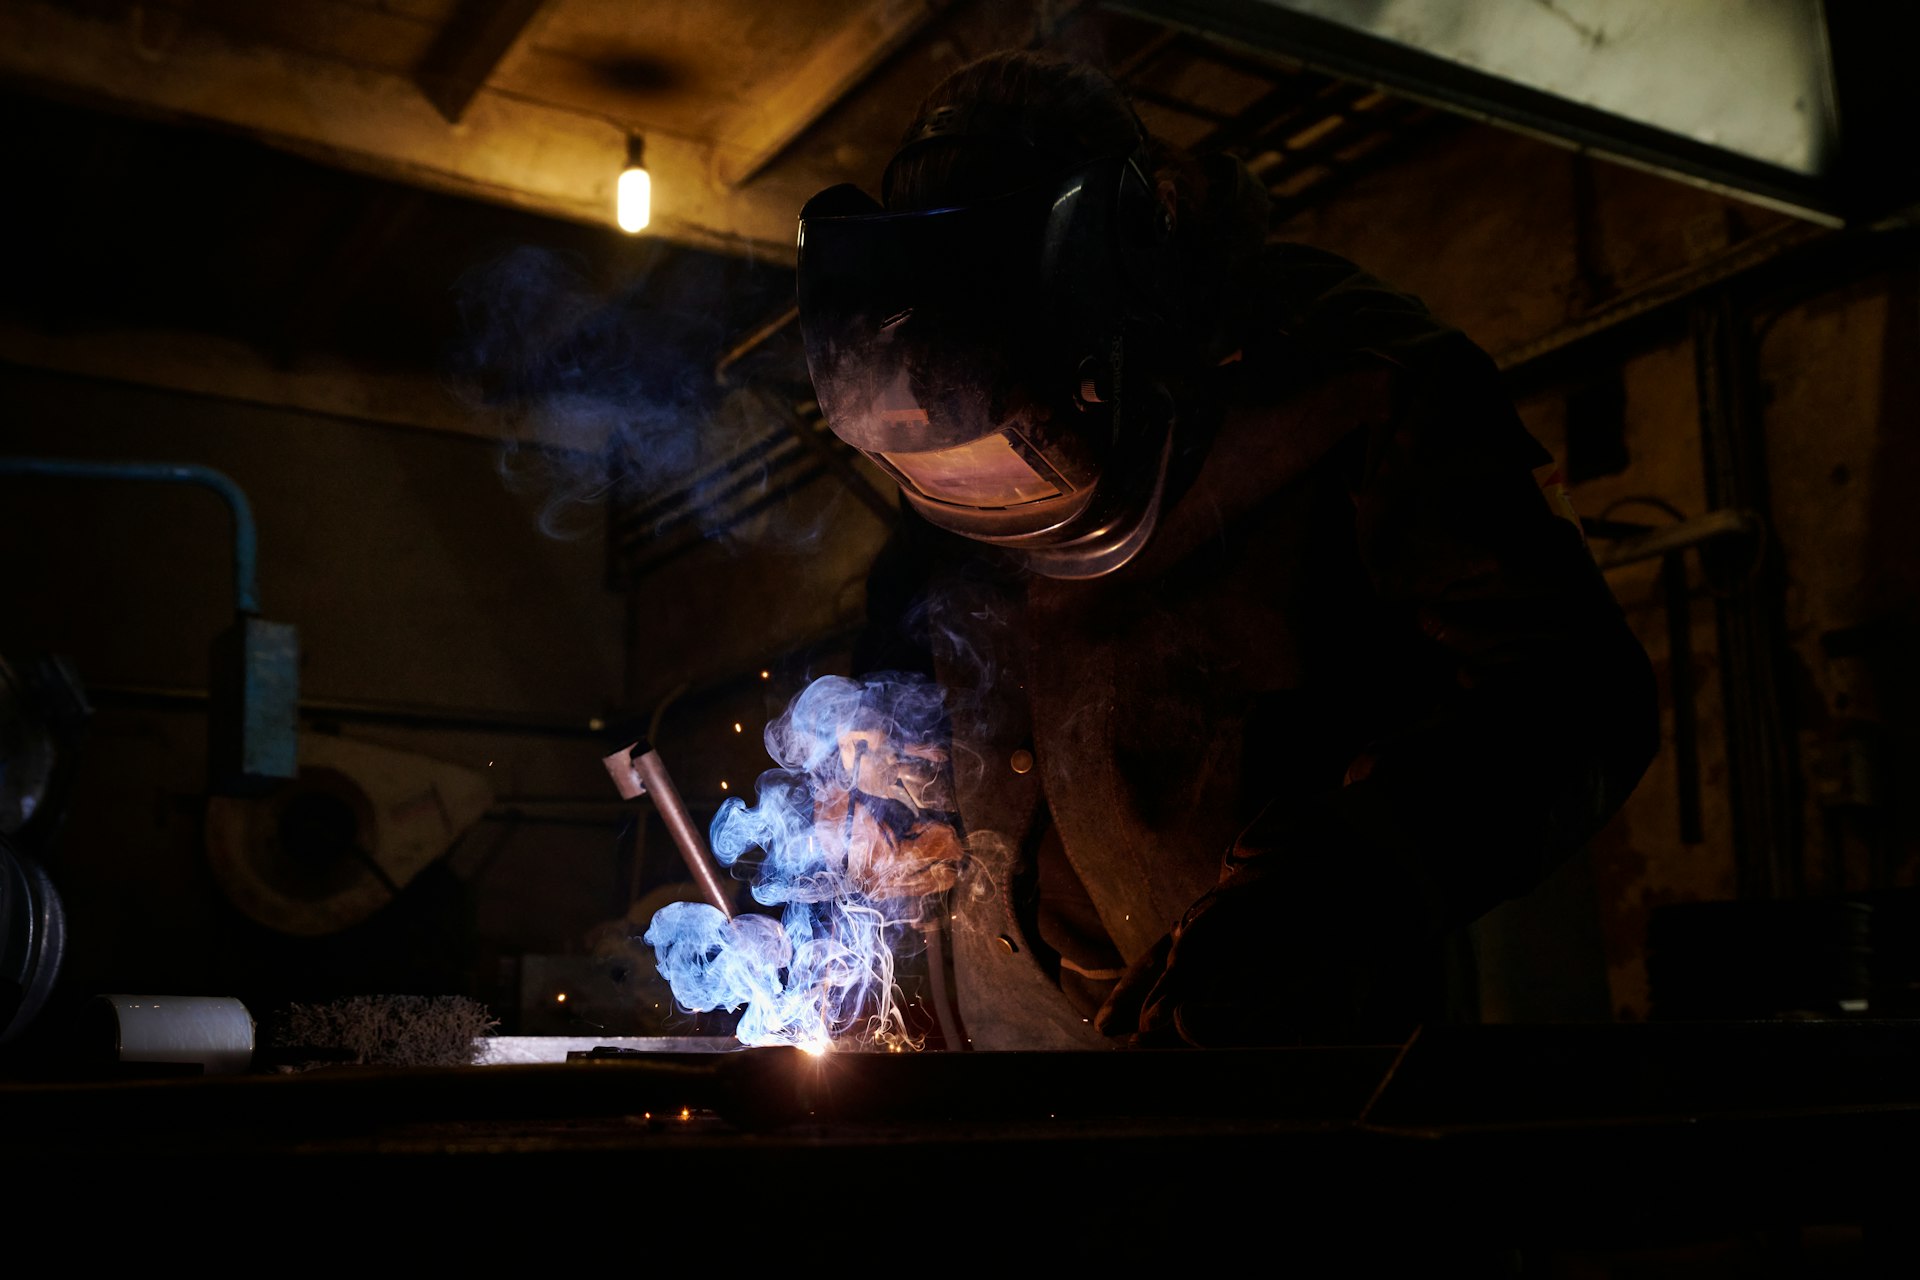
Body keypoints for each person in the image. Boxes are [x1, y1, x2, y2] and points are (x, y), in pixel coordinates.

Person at [795, 50, 1659, 1049]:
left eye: (1023, 442)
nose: (992, 495)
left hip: (1292, 1063)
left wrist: (1337, 886)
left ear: (1112, 322)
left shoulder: (1354, 383)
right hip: (1017, 1049)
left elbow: (1581, 694)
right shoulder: (952, 392)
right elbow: (913, 632)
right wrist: (881, 775)